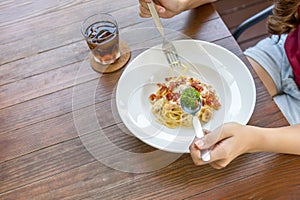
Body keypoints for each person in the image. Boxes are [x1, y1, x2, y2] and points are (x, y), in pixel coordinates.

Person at [139, 0, 300, 169]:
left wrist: (255, 140)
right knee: (231, 87)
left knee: (244, 164)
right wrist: (184, 2)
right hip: (285, 53)